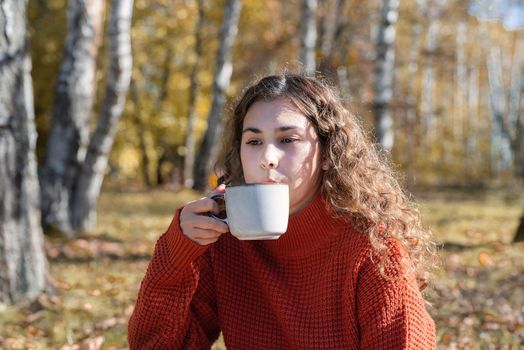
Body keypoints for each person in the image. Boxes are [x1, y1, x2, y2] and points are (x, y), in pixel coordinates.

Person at [128, 73, 438, 349]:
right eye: (253, 141)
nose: (267, 157)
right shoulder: (221, 240)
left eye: (287, 139)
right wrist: (176, 252)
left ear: (329, 153)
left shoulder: (373, 250)